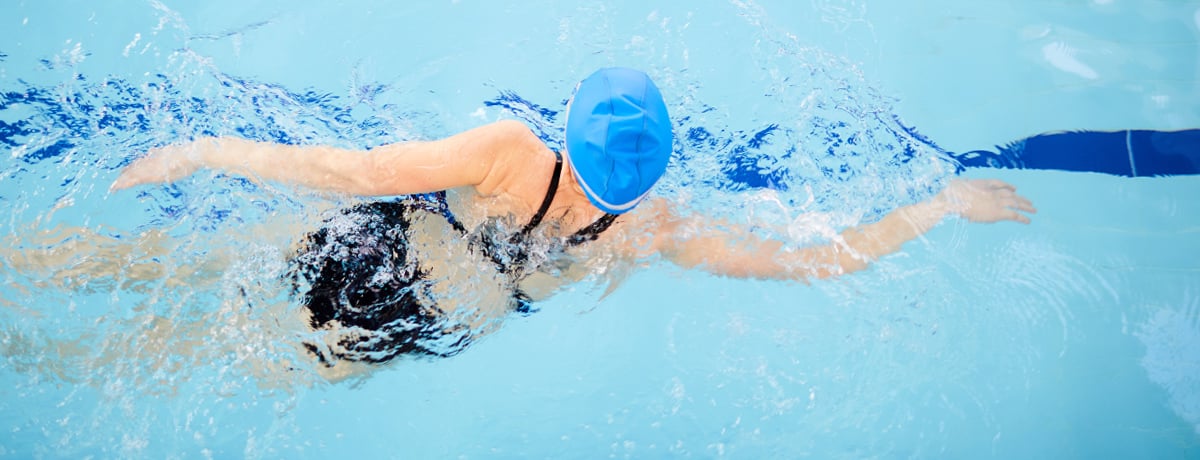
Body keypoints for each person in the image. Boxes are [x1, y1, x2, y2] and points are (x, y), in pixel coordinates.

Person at [110, 67, 1035, 370]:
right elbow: (811, 263)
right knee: (203, 361)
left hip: (379, 236)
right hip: (431, 315)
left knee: (155, 263)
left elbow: (343, 167)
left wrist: (203, 150)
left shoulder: (509, 151)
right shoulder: (654, 229)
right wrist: (942, 203)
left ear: (571, 130)